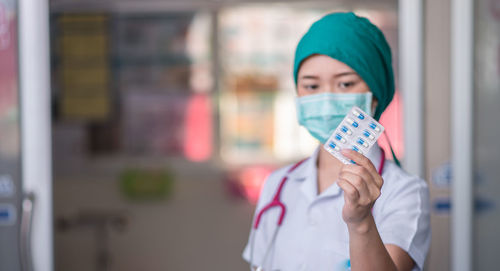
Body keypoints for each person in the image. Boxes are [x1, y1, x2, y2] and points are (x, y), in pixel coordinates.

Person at [242, 12, 430, 271]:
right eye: (311, 86)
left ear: (375, 94)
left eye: (344, 83)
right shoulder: (278, 184)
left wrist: (362, 222)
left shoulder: (405, 192)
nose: (327, 99)